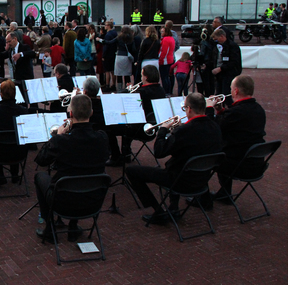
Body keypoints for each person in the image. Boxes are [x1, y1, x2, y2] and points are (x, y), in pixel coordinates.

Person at [126, 93, 222, 224]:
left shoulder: (184, 131)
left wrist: (163, 130)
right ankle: (173, 207)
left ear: (189, 109)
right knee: (180, 160)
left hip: (179, 180)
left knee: (132, 171)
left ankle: (159, 212)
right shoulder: (215, 127)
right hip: (201, 179)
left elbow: (159, 152)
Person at [34, 95, 109, 242]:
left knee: (39, 177)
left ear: (71, 114)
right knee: (83, 175)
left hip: (62, 202)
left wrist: (57, 136)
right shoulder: (102, 137)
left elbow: (41, 160)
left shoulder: (61, 141)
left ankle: (50, 229)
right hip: (93, 201)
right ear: (91, 113)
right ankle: (73, 227)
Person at [206, 75, 265, 205]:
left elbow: (212, 130)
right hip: (256, 164)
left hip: (239, 164)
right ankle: (224, 194)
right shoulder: (259, 109)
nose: (230, 91)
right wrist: (220, 111)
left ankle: (202, 197)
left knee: (205, 154)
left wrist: (209, 109)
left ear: (236, 91)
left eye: (231, 88)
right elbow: (230, 125)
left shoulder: (236, 112)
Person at [105, 65, 165, 166]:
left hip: (139, 128)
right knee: (130, 121)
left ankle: (116, 156)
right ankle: (126, 153)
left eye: (142, 75)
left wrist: (128, 90)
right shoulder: (161, 90)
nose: (141, 78)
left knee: (109, 127)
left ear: (145, 77)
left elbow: (123, 99)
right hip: (153, 127)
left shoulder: (141, 93)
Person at [0, 80, 29, 185]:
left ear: (1, 94)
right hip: (19, 152)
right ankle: (15, 175)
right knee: (16, 139)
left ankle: (0, 176)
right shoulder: (23, 111)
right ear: (15, 94)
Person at [211, 28, 242, 105]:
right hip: (222, 74)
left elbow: (234, 62)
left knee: (226, 95)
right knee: (219, 94)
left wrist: (221, 68)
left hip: (229, 74)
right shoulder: (222, 46)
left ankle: (232, 110)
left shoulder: (232, 46)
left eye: (217, 39)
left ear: (222, 36)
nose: (216, 41)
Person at [100, 21, 118, 91]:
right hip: (113, 53)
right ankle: (113, 84)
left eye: (106, 25)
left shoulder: (108, 35)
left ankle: (107, 85)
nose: (105, 26)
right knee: (113, 70)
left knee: (107, 71)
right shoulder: (115, 33)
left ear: (108, 26)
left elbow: (106, 46)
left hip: (107, 54)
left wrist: (103, 55)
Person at [159, 26, 176, 95]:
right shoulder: (171, 39)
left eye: (162, 31)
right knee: (168, 76)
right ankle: (169, 90)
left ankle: (166, 91)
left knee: (164, 77)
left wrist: (160, 59)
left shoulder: (165, 40)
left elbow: (164, 51)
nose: (161, 33)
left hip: (165, 61)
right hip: (170, 59)